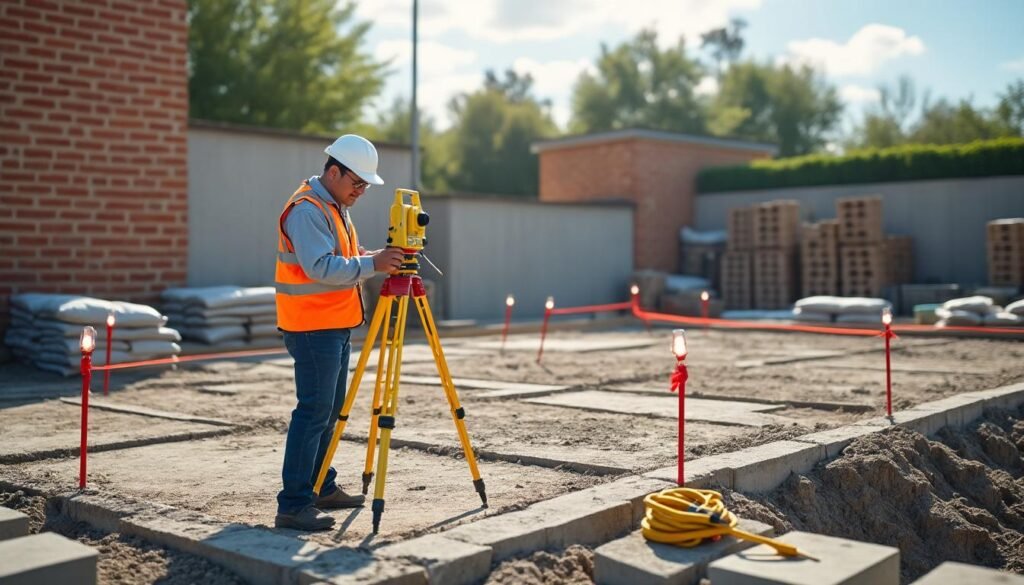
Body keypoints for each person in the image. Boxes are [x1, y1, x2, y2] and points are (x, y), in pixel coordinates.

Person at [273, 134, 404, 531]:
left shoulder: (334, 205)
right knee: (313, 411)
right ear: (334, 171)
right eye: (358, 183)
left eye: (366, 185)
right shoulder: (307, 209)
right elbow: (321, 267)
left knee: (329, 413)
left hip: (334, 325)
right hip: (312, 328)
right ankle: (293, 504)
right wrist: (374, 265)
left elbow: (345, 256)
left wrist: (375, 256)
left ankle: (321, 485)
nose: (361, 191)